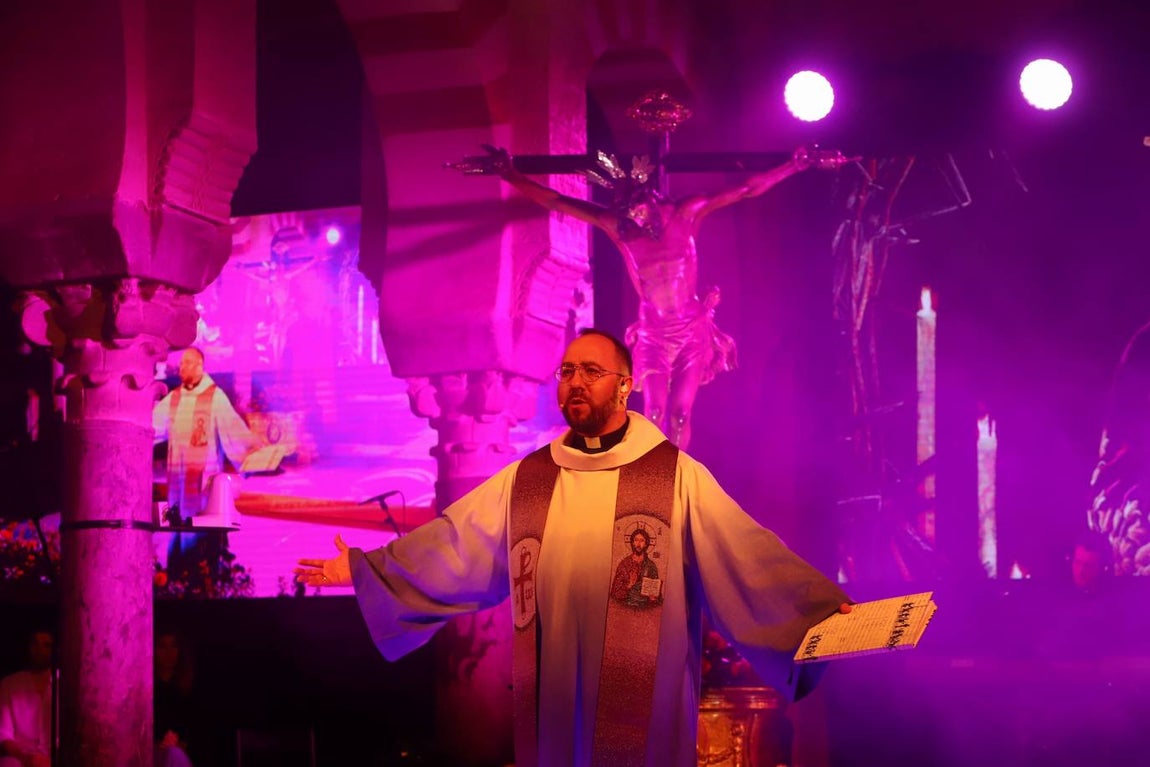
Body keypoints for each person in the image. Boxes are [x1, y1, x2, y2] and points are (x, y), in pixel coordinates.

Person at [296, 328, 850, 767]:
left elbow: (744, 554)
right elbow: (454, 544)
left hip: (644, 729)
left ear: (625, 386)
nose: (575, 382)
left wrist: (818, 614)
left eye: (591, 371)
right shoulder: (529, 481)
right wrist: (367, 571)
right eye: (566, 372)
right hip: (554, 719)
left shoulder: (674, 477)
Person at [450, 145, 847, 448]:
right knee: (655, 412)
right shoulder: (619, 228)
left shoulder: (688, 213)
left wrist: (794, 165)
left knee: (680, 414)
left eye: (638, 210)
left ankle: (676, 479)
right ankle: (654, 480)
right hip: (654, 334)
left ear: (650, 196)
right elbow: (557, 202)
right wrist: (510, 174)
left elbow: (745, 190)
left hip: (690, 330)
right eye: (627, 213)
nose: (635, 220)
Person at [153, 347, 255, 586]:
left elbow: (234, 432)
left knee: (202, 537)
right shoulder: (174, 399)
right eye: (181, 364)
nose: (181, 368)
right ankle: (176, 583)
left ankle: (206, 584)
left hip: (203, 487)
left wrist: (253, 455)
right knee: (177, 531)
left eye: (187, 363)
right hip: (178, 487)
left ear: (200, 366)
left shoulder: (214, 397)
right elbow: (151, 426)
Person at [0, 629, 54, 767]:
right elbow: (4, 733)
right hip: (21, 757)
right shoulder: (9, 684)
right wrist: (25, 758)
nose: (40, 650)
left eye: (46, 645)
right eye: (35, 644)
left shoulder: (64, 684)